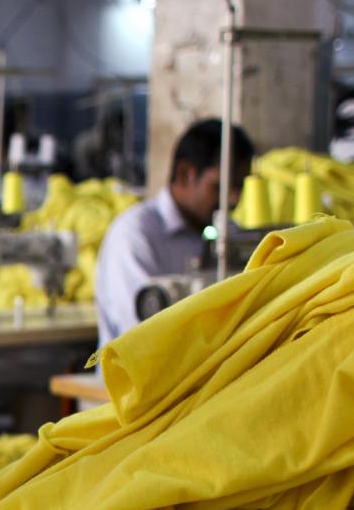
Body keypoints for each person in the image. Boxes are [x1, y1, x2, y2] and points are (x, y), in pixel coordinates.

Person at [94, 118, 253, 349]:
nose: (234, 199)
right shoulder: (134, 235)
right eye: (220, 187)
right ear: (185, 174)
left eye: (240, 187)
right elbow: (143, 335)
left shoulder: (228, 234)